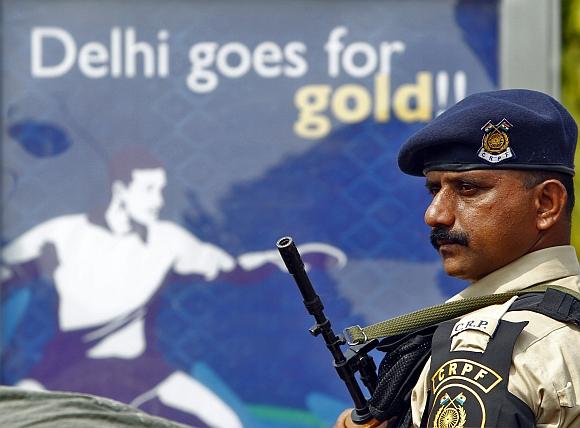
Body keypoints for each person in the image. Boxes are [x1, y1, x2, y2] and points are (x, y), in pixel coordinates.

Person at [1, 147, 346, 428]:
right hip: (68, 368)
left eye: (161, 190)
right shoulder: (63, 235)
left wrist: (284, 259)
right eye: (148, 190)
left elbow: (235, 268)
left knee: (227, 421)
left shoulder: (169, 241)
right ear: (121, 191)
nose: (157, 200)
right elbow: (7, 268)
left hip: (142, 369)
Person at [335, 89, 580, 427]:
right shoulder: (567, 313)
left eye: (468, 189)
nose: (435, 214)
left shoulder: (486, 346)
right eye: (435, 190)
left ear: (546, 204)